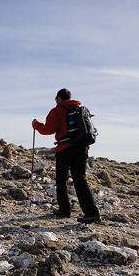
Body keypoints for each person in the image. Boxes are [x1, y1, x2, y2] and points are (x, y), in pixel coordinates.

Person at [32, 88, 101, 224]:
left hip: (64, 149)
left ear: (59, 98)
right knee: (80, 179)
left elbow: (48, 129)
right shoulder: (79, 109)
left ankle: (64, 210)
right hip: (82, 148)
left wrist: (36, 125)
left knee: (61, 181)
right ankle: (91, 213)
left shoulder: (57, 110)